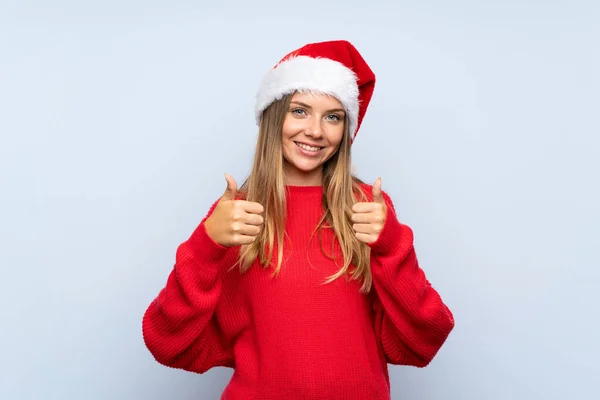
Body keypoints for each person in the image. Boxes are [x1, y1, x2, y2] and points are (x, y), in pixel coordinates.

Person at [142, 40, 455, 400]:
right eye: (300, 111)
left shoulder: (367, 209)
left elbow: (427, 337)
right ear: (275, 117)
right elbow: (166, 342)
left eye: (333, 116)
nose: (316, 131)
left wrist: (391, 244)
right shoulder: (238, 214)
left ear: (345, 129)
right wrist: (205, 244)